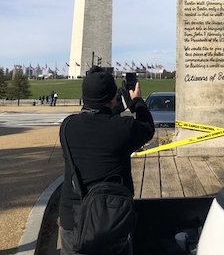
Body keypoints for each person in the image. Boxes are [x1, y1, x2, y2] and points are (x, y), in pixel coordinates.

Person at [59, 66, 155, 254]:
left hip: (73, 217)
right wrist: (136, 101)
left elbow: (95, 123)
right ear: (113, 98)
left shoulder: (67, 127)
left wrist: (112, 105)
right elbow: (147, 127)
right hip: (112, 217)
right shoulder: (123, 128)